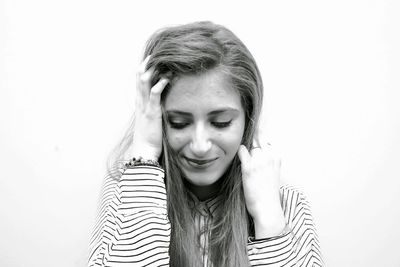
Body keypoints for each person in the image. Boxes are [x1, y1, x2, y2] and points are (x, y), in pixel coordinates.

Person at [88, 21, 323, 267]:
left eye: (221, 122)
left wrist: (269, 223)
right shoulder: (127, 196)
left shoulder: (287, 204)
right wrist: (145, 154)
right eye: (178, 122)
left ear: (247, 119)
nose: (200, 146)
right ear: (158, 119)